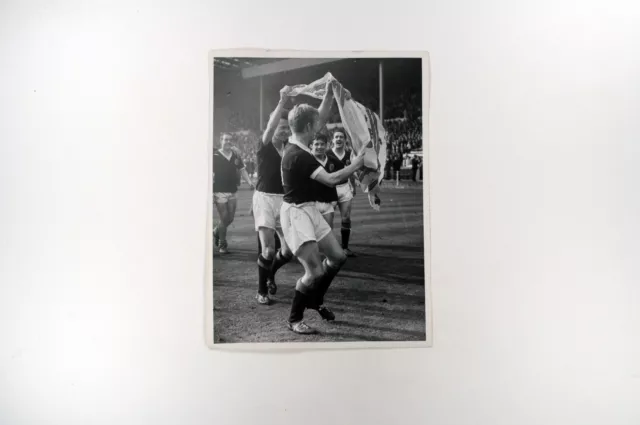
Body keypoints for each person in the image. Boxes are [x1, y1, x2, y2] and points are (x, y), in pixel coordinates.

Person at [280, 79, 366, 334]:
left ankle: (316, 299)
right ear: (308, 127)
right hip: (296, 214)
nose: (319, 125)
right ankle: (294, 318)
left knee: (337, 257)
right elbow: (332, 179)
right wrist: (357, 163)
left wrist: (329, 92)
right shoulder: (299, 156)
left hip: (308, 209)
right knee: (314, 272)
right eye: (315, 124)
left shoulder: (298, 144)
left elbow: (321, 115)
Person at [252, 89, 294, 305]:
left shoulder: (290, 148)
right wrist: (281, 102)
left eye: (287, 127)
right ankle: (261, 291)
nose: (284, 130)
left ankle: (269, 275)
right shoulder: (264, 143)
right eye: (281, 127)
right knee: (268, 249)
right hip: (265, 199)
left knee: (287, 251)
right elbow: (270, 126)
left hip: (284, 200)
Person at [213, 133, 254, 254]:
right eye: (225, 139)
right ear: (221, 140)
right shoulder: (215, 156)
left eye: (230, 140)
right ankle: (222, 244)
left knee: (230, 219)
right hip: (219, 190)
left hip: (232, 191)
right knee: (224, 217)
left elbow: (242, 170)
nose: (228, 142)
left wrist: (250, 182)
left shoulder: (236, 155)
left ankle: (216, 231)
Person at [328, 129, 357, 257]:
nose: (339, 139)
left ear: (345, 140)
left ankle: (345, 247)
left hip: (345, 187)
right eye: (336, 137)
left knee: (346, 217)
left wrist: (353, 187)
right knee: (329, 220)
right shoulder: (327, 154)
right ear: (332, 140)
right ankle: (330, 248)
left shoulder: (350, 155)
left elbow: (351, 172)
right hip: (330, 188)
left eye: (341, 137)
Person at [309, 133, 341, 227]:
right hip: (311, 203)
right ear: (311, 145)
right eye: (316, 144)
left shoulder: (333, 160)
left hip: (328, 203)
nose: (320, 147)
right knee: (312, 234)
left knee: (328, 232)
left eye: (322, 144)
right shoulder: (306, 159)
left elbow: (339, 177)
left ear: (327, 145)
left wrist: (335, 199)